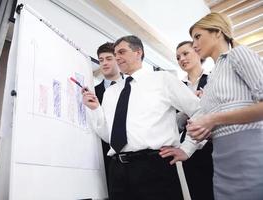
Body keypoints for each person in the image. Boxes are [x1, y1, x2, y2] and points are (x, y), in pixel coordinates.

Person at [83, 35, 203, 200]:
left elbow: (200, 111)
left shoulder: (162, 79)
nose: (117, 57)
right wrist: (95, 109)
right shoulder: (111, 92)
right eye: (115, 53)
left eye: (122, 52)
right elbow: (108, 136)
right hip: (117, 170)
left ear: (138, 52)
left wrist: (187, 148)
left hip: (155, 167)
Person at [187, 12, 263, 200]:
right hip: (221, 159)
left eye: (197, 36)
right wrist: (204, 131)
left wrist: (212, 119)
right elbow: (219, 122)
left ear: (217, 32)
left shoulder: (238, 54)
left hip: (249, 154)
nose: (194, 44)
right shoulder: (212, 77)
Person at [176, 41, 214, 200]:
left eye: (185, 53)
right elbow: (176, 125)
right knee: (198, 193)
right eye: (178, 57)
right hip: (190, 150)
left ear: (198, 52)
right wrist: (189, 106)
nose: (181, 59)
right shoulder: (177, 87)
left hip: (214, 145)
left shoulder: (213, 79)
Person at [95, 42, 123, 190]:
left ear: (117, 59)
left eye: (108, 58)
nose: (104, 63)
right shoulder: (92, 92)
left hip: (131, 156)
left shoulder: (131, 87)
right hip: (101, 157)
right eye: (101, 60)